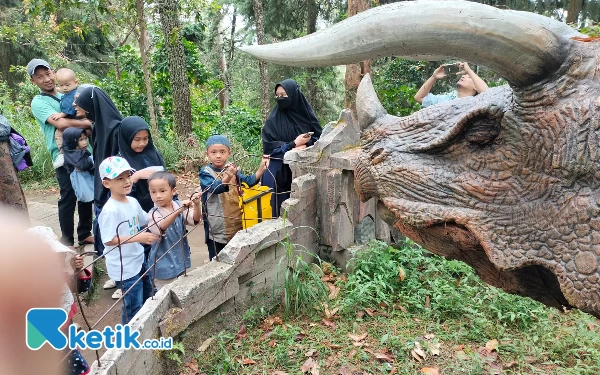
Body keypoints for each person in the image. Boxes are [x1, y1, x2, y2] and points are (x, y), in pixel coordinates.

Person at [28, 58, 94, 247]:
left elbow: (85, 113)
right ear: (34, 81)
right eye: (39, 77)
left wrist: (85, 122)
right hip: (63, 155)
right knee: (68, 196)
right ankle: (66, 240)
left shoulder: (71, 94)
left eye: (48, 74)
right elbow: (61, 123)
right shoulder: (39, 102)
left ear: (54, 73)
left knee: (86, 191)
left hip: (84, 151)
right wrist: (86, 124)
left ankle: (84, 233)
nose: (46, 79)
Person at [97, 156, 159, 324]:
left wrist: (167, 210)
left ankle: (148, 326)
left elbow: (146, 219)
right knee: (133, 306)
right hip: (124, 267)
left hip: (138, 259)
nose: (126, 181)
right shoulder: (110, 210)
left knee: (150, 295)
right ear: (107, 183)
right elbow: (109, 240)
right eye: (119, 178)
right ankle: (130, 342)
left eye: (128, 176)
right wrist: (138, 237)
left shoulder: (131, 201)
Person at [26, 226, 91, 375]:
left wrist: (78, 270)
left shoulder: (60, 277)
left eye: (59, 256)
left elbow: (82, 287)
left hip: (66, 331)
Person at [200, 135, 268, 260]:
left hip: (237, 221)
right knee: (218, 260)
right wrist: (227, 176)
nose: (218, 155)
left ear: (229, 153)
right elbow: (214, 188)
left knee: (237, 258)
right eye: (213, 152)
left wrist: (261, 169)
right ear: (207, 154)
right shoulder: (205, 172)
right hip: (217, 227)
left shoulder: (232, 169)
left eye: (222, 152)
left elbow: (247, 181)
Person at [261, 79, 322, 218]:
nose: (280, 98)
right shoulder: (273, 120)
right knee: (277, 215)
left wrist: (306, 144)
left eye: (284, 95)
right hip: (278, 174)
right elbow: (269, 148)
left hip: (302, 172)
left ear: (294, 95)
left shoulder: (306, 116)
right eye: (277, 95)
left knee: (301, 215)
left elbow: (320, 137)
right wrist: (292, 144)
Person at [74, 86, 122, 258]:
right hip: (103, 183)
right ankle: (107, 257)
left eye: (80, 103)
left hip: (113, 185)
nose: (75, 105)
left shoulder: (116, 129)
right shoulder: (98, 128)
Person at [147, 171, 201, 288]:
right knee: (165, 295)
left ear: (173, 191)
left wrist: (197, 205)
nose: (158, 195)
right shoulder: (153, 213)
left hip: (180, 260)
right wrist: (179, 211)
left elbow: (194, 220)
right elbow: (161, 226)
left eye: (162, 191)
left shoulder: (177, 205)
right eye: (153, 192)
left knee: (181, 291)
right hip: (162, 264)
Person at [117, 116, 167, 212]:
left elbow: (167, 178)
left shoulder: (154, 154)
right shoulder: (120, 162)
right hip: (137, 210)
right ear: (126, 137)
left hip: (161, 206)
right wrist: (135, 177)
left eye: (145, 138)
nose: (142, 143)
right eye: (137, 139)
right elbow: (120, 193)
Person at [414, 61, 489, 108]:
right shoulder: (446, 99)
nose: (463, 76)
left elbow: (488, 94)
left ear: (476, 87)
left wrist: (469, 70)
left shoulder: (477, 102)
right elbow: (419, 98)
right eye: (464, 75)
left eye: (469, 77)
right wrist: (434, 77)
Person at [48, 68, 82, 166]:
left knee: (59, 134)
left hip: (72, 119)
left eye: (67, 85)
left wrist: (61, 114)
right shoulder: (75, 91)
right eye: (61, 85)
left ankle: (62, 154)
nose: (65, 88)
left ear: (76, 82)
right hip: (78, 121)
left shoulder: (71, 96)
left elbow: (69, 108)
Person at [62, 128, 94, 203]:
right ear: (72, 141)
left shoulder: (72, 152)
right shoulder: (75, 155)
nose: (85, 142)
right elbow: (84, 165)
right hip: (84, 184)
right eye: (81, 140)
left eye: (85, 139)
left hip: (87, 183)